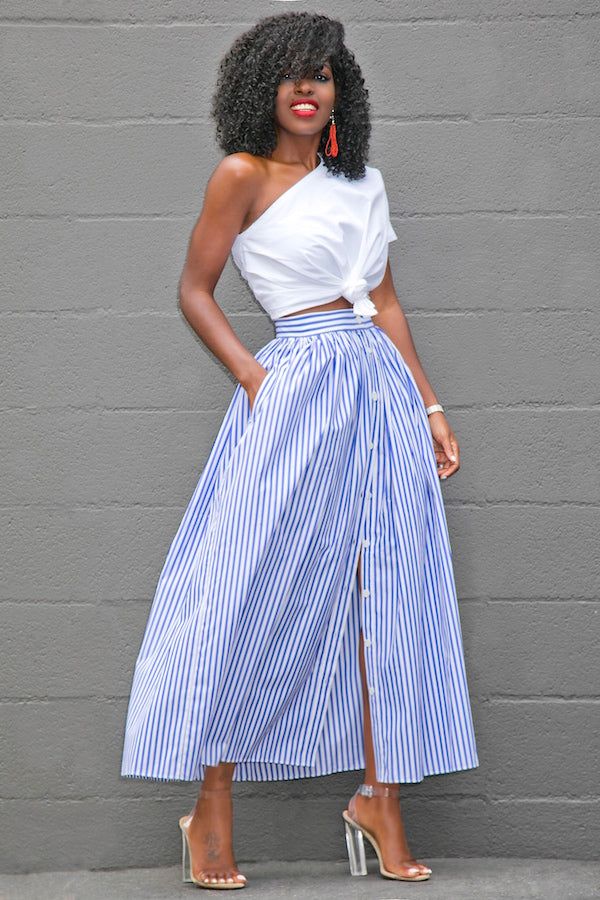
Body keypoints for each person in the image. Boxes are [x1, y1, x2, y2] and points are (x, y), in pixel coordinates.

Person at [121, 11, 478, 890]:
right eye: (290, 76)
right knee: (252, 582)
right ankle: (211, 801)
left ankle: (379, 798)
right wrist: (252, 377)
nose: (307, 89)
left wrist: (429, 404)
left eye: (321, 74)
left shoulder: (362, 184)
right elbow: (194, 290)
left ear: (339, 89)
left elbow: (384, 304)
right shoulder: (240, 175)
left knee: (387, 588)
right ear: (263, 89)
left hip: (380, 392)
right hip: (294, 383)